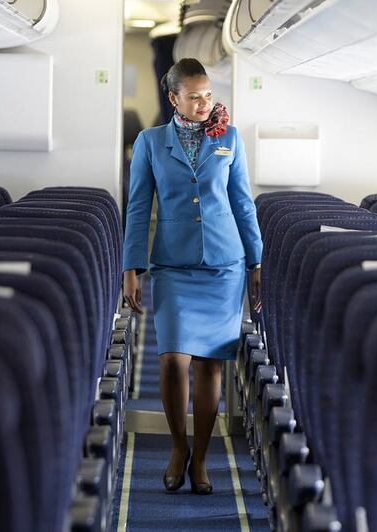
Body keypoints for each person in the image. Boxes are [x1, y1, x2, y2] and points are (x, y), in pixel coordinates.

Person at [122, 58, 263, 495]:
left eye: (208, 95)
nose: (204, 104)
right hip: (172, 265)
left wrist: (256, 262)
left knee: (209, 366)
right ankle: (178, 447)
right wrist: (132, 267)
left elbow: (243, 203)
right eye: (194, 96)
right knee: (171, 360)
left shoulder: (230, 138)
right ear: (174, 98)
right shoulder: (150, 141)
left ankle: (201, 456)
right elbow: (139, 206)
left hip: (224, 265)